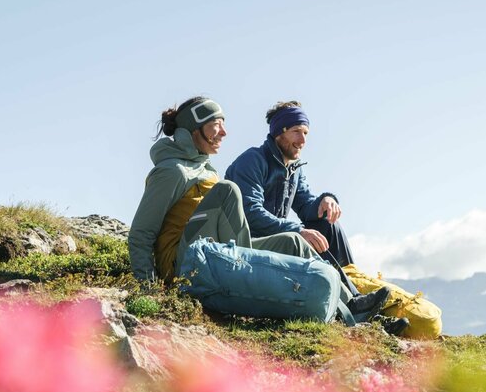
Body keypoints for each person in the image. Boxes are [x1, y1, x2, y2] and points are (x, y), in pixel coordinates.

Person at [128, 96, 391, 323]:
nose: (224, 133)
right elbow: (141, 233)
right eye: (216, 125)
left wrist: (326, 200)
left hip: (215, 252)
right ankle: (245, 269)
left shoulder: (206, 170)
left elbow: (305, 203)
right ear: (193, 129)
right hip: (182, 263)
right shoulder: (171, 171)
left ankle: (354, 307)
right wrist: (150, 291)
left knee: (293, 242)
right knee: (228, 190)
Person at [225, 100, 409, 335]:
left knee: (326, 223)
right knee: (302, 237)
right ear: (279, 132)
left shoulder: (293, 168)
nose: (303, 140)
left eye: (306, 133)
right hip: (250, 241)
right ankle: (354, 303)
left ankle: (363, 307)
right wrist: (298, 230)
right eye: (297, 132)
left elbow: (305, 204)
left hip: (280, 236)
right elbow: (250, 214)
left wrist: (325, 200)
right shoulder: (252, 161)